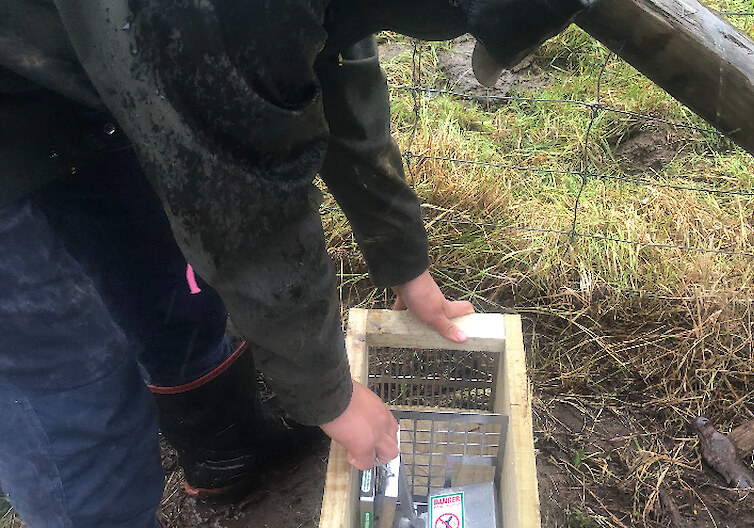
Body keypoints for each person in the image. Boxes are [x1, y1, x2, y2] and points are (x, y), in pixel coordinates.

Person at [0, 1, 587, 526]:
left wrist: (405, 262)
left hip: (96, 73)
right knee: (75, 383)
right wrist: (329, 394)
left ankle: (225, 454)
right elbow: (242, 207)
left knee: (167, 282)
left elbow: (334, 69)